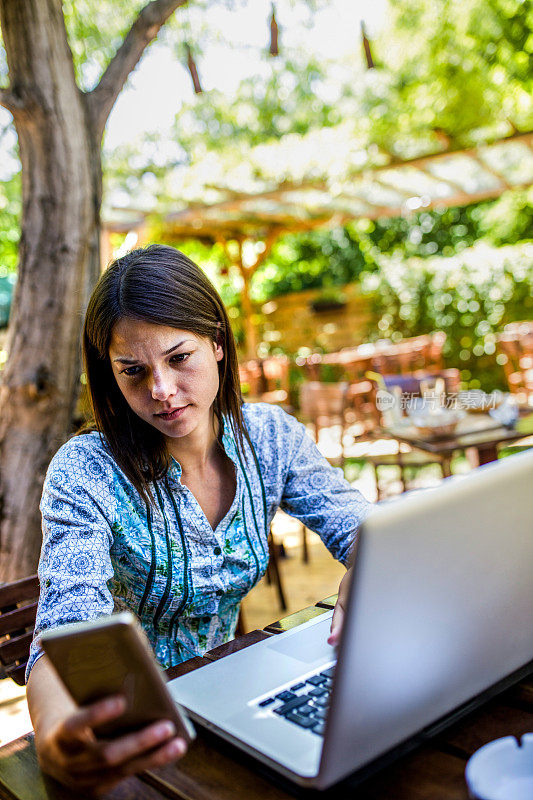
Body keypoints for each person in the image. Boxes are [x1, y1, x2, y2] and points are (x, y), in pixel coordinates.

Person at [26, 244, 370, 793]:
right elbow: (64, 630)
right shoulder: (85, 471)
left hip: (234, 697)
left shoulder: (269, 437)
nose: (161, 391)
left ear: (216, 342)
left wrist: (371, 569)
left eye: (179, 357)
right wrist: (54, 731)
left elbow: (363, 529)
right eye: (133, 371)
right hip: (134, 734)